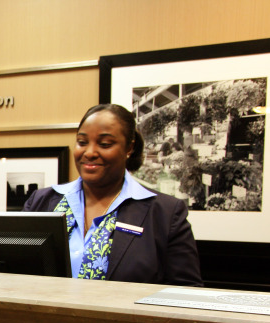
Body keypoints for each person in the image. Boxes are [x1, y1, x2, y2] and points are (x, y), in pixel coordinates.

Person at [24, 103, 202, 286]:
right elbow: (15, 275)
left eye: (105, 144)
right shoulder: (41, 202)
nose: (90, 152)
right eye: (82, 142)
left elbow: (187, 292)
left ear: (129, 148)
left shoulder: (165, 213)